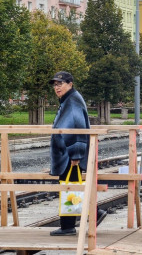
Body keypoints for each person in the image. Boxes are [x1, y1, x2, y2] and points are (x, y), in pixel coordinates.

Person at [48, 71, 106, 236]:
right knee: (71, 188)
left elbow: (76, 128)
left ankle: (74, 223)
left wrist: (76, 154)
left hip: (69, 155)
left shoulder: (72, 101)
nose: (57, 87)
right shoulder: (69, 99)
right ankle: (73, 223)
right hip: (67, 154)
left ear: (70, 84)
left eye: (61, 84)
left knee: (71, 187)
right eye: (55, 85)